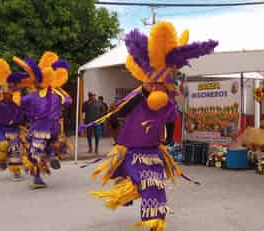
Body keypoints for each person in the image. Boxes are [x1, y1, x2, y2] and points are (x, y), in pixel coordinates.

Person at [85, 21, 218, 231]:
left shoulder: (167, 101)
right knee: (135, 183)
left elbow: (173, 117)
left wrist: (174, 96)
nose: (156, 87)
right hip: (130, 150)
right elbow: (119, 110)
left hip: (153, 152)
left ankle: (154, 224)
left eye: (160, 84)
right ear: (146, 81)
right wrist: (144, 92)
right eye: (152, 83)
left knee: (154, 187)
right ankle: (128, 191)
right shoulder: (136, 96)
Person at [13, 51, 72, 189]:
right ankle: (51, 155)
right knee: (51, 144)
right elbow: (68, 101)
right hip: (55, 128)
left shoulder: (33, 96)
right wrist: (58, 89)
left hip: (39, 128)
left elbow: (19, 102)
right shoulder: (57, 95)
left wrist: (15, 92)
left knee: (34, 154)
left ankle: (37, 178)